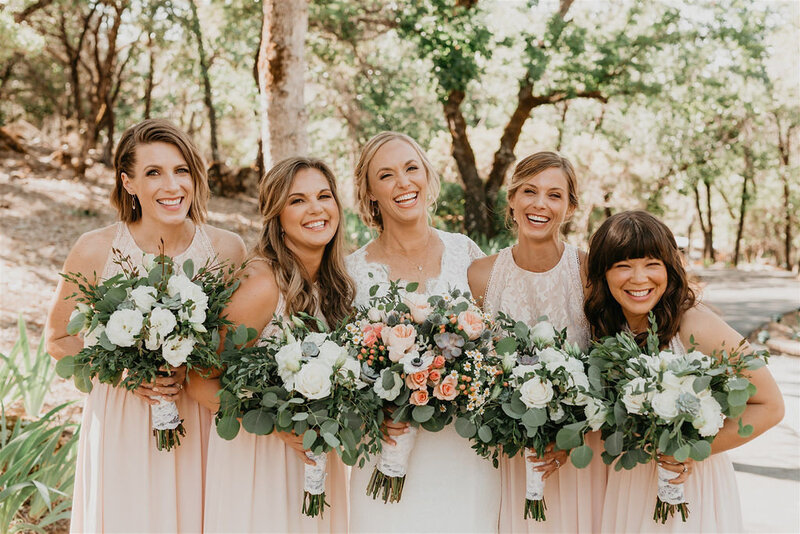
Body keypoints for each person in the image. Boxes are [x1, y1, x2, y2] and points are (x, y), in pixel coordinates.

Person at [45, 119, 246, 533]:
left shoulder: (227, 249)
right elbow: (58, 338)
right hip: (124, 420)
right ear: (128, 183)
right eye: (154, 173)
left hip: (198, 422)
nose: (172, 186)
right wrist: (124, 373)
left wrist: (193, 366)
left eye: (181, 170)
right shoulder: (97, 249)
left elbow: (237, 346)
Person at [584, 210, 785, 532]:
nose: (639, 278)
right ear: (603, 274)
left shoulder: (695, 325)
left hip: (689, 486)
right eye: (623, 265)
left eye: (652, 264)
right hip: (628, 484)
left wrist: (688, 450)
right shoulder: (606, 328)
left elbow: (771, 405)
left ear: (669, 268)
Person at [186, 157, 353, 532]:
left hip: (318, 462)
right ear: (275, 215)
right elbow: (199, 380)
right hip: (261, 461)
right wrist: (276, 425)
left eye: (324, 196)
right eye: (297, 200)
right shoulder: (261, 284)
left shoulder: (336, 286)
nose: (316, 209)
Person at [345, 131, 498, 533]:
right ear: (370, 192)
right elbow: (342, 367)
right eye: (387, 175)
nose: (404, 183)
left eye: (411, 168)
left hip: (463, 453)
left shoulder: (465, 253)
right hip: (388, 449)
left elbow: (495, 344)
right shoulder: (351, 272)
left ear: (428, 176)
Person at [469, 151, 606, 533]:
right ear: (511, 199)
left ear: (570, 207)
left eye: (554, 195)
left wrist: (573, 434)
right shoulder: (481, 276)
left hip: (577, 453)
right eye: (529, 191)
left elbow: (609, 366)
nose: (540, 204)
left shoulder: (589, 271)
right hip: (505, 458)